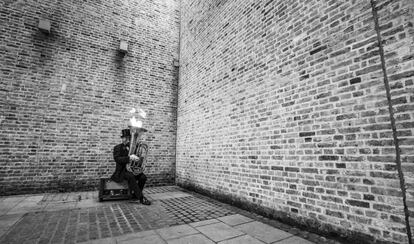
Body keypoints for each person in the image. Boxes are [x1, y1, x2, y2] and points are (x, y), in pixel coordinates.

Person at [111, 129, 151, 205]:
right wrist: (129, 158)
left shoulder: (135, 147)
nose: (125, 139)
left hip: (132, 169)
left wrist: (140, 159)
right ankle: (141, 198)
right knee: (131, 176)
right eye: (124, 137)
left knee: (143, 177)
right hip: (122, 171)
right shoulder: (117, 147)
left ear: (129, 138)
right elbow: (117, 159)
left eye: (127, 138)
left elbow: (138, 159)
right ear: (122, 138)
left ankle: (136, 194)